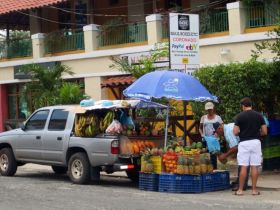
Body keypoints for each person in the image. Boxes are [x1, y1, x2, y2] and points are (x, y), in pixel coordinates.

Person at [233, 97, 267, 196]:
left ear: (243, 106)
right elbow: (265, 131)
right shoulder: (259, 115)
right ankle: (254, 190)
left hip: (244, 143)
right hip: (256, 142)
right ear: (251, 105)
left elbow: (235, 132)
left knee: (244, 166)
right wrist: (257, 132)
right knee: (254, 166)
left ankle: (240, 190)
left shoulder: (239, 116)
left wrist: (241, 131)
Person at [213, 122, 250, 191]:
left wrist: (225, 155)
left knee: (243, 165)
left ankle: (242, 185)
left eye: (217, 132)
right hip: (247, 142)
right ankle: (240, 182)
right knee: (242, 164)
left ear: (219, 128)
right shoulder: (229, 126)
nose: (218, 134)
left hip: (246, 143)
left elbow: (235, 147)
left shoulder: (228, 132)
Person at [199, 102, 223, 169]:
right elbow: (200, 128)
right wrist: (202, 135)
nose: (209, 111)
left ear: (213, 108)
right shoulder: (203, 118)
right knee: (205, 156)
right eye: (208, 110)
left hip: (214, 140)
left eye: (210, 109)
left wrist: (218, 134)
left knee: (213, 157)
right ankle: (206, 170)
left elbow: (222, 128)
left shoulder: (218, 118)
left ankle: (214, 170)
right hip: (205, 140)